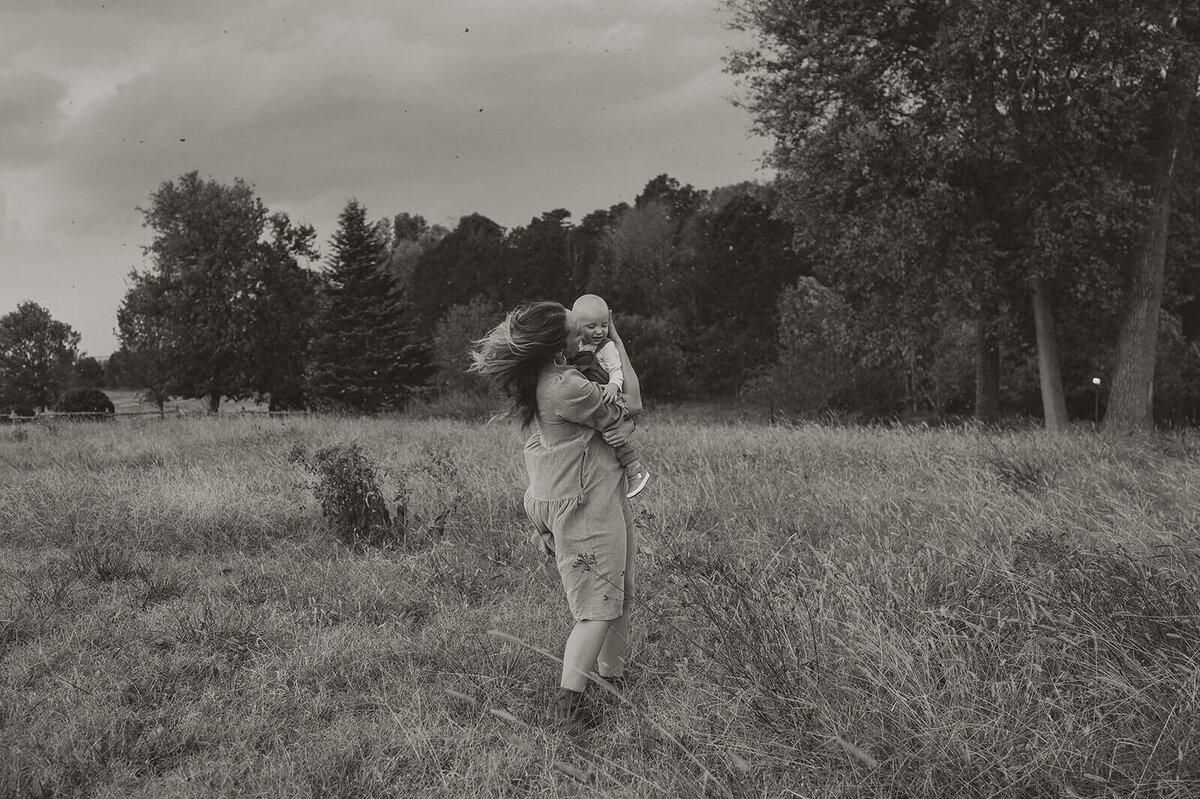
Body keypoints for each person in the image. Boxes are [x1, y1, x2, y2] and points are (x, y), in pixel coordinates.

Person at [470, 301, 642, 733]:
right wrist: (616, 343)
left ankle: (611, 679)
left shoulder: (540, 380)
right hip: (587, 505)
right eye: (573, 331)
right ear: (557, 344)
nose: (582, 336)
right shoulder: (569, 386)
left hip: (586, 494)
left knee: (617, 589)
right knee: (597, 606)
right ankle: (568, 708)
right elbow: (631, 410)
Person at [570, 294, 650, 499]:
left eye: (603, 325)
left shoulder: (606, 347)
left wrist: (614, 386)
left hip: (609, 394)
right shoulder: (573, 347)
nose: (599, 331)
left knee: (612, 433)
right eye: (592, 327)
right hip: (590, 402)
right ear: (577, 325)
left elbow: (616, 370)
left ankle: (634, 469)